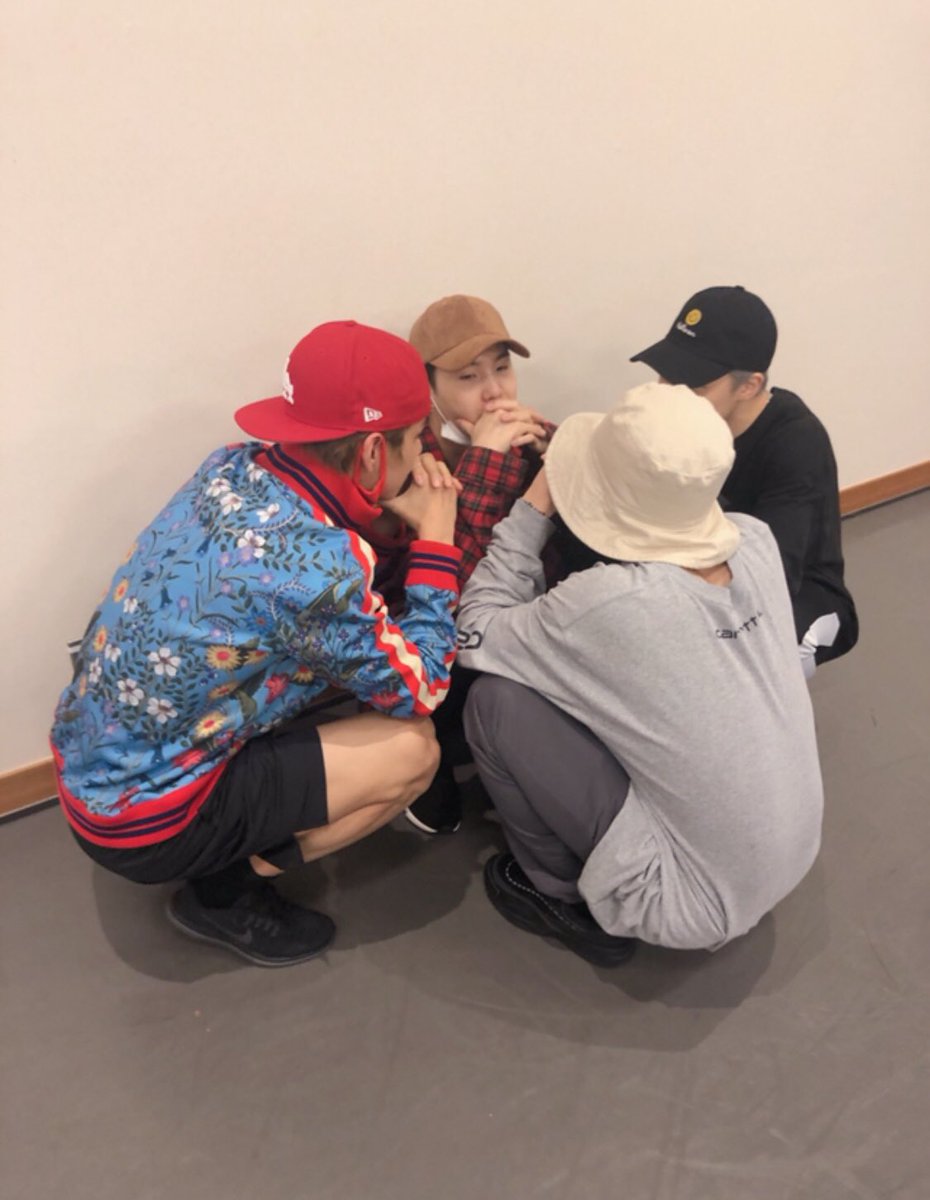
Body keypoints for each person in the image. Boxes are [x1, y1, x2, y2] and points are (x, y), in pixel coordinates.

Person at [51, 320, 462, 967]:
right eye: (415, 441)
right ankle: (224, 891)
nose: (421, 457)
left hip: (90, 761)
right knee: (414, 752)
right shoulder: (319, 572)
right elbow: (422, 686)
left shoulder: (230, 465)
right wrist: (437, 543)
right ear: (373, 453)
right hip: (142, 824)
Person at [457, 382, 824, 965]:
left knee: (494, 703)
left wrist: (535, 504)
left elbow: (474, 630)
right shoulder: (755, 539)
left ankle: (555, 893)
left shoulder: (609, 603)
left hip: (684, 902)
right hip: (795, 850)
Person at [630, 284, 857, 678]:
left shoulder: (796, 441)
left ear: (749, 385)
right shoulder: (682, 418)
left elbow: (769, 575)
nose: (671, 393)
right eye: (667, 375)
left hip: (798, 591)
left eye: (695, 385)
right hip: (706, 563)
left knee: (718, 666)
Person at [402, 294, 555, 834]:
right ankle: (436, 762)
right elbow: (457, 589)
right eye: (468, 376)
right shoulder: (412, 456)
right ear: (428, 387)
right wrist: (486, 460)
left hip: (526, 625)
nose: (494, 391)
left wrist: (554, 454)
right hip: (444, 642)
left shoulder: (525, 433)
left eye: (502, 369)